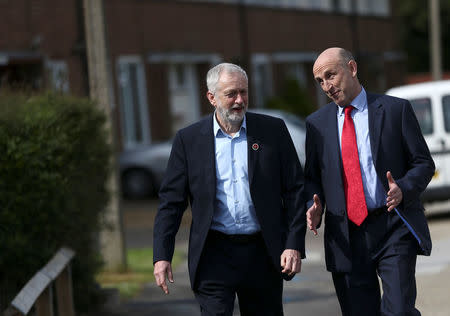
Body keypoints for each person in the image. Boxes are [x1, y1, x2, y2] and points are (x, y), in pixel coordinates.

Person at [153, 63, 306, 315]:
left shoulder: (272, 131)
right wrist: (161, 255)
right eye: (231, 94)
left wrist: (293, 244)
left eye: (243, 92)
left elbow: (295, 191)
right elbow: (171, 202)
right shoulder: (188, 140)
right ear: (211, 97)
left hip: (262, 253)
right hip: (213, 254)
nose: (239, 100)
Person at [304, 47, 435, 316]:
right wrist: (313, 206)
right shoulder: (317, 125)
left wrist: (403, 188)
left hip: (392, 225)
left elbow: (423, 163)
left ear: (352, 69)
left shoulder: (395, 110)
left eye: (331, 75)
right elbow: (313, 179)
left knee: (397, 310)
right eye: (320, 81)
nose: (327, 86)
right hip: (346, 235)